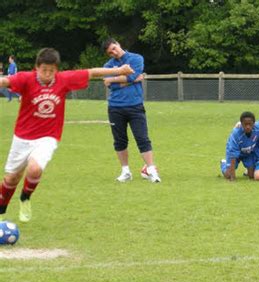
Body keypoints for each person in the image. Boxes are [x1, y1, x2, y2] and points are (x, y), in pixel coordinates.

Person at [0, 48, 134, 222]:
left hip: (48, 136)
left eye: (51, 70)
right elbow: (5, 81)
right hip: (22, 137)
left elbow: (92, 72)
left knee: (34, 169)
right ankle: (2, 210)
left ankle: (25, 198)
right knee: (11, 178)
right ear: (36, 68)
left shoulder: (63, 79)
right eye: (44, 70)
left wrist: (120, 70)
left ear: (57, 69)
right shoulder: (26, 78)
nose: (47, 74)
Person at [102, 38, 161, 183]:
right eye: (110, 52)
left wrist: (116, 79)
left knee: (142, 138)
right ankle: (125, 172)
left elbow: (132, 75)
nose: (114, 53)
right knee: (120, 141)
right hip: (115, 108)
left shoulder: (136, 58)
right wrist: (130, 79)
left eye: (114, 48)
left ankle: (151, 169)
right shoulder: (108, 66)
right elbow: (111, 85)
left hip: (135, 106)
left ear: (118, 43)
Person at [220, 111, 259, 181]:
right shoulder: (236, 133)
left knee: (252, 176)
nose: (248, 127)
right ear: (241, 124)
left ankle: (249, 169)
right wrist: (232, 177)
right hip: (234, 154)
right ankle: (223, 163)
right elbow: (233, 155)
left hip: (248, 153)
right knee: (228, 175)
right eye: (245, 124)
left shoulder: (258, 126)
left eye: (250, 124)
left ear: (254, 123)